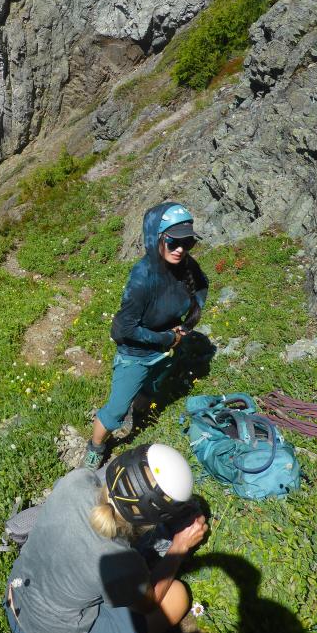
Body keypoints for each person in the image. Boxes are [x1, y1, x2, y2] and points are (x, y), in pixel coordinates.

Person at [4, 443, 209, 633]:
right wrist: (179, 546)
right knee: (176, 596)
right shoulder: (120, 562)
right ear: (154, 519)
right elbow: (150, 603)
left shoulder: (76, 481)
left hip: (15, 596)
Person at [83, 202, 209, 471]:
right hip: (136, 355)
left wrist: (185, 328)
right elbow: (123, 329)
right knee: (115, 410)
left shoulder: (186, 266)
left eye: (187, 242)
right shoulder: (142, 277)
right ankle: (95, 447)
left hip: (166, 349)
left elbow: (201, 287)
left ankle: (138, 412)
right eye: (173, 241)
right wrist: (167, 339)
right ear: (156, 237)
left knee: (151, 387)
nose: (180, 249)